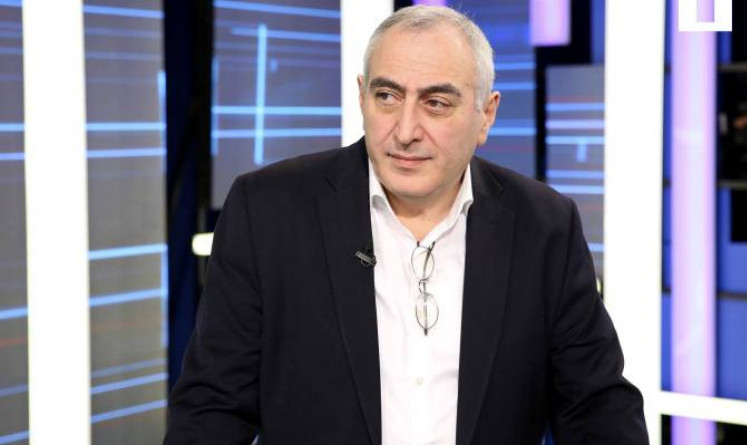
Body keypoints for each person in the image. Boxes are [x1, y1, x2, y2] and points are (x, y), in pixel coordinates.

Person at [165, 5, 649, 445]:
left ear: (486, 115)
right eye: (387, 96)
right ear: (362, 96)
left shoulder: (544, 227)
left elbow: (597, 409)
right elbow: (212, 410)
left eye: (436, 103)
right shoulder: (268, 211)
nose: (405, 130)